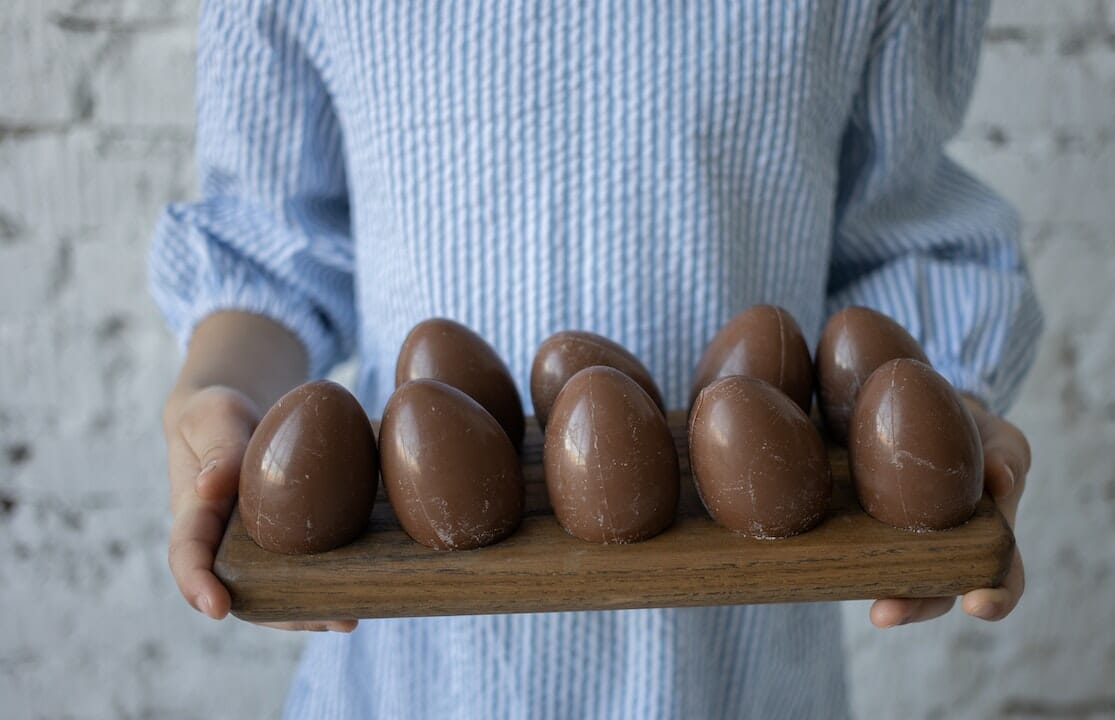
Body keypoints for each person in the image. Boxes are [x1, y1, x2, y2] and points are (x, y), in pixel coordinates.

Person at [151, 0, 1042, 717]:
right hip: (413, 677)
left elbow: (898, 237)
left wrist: (934, 431)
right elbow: (271, 248)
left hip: (745, 673)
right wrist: (221, 391)